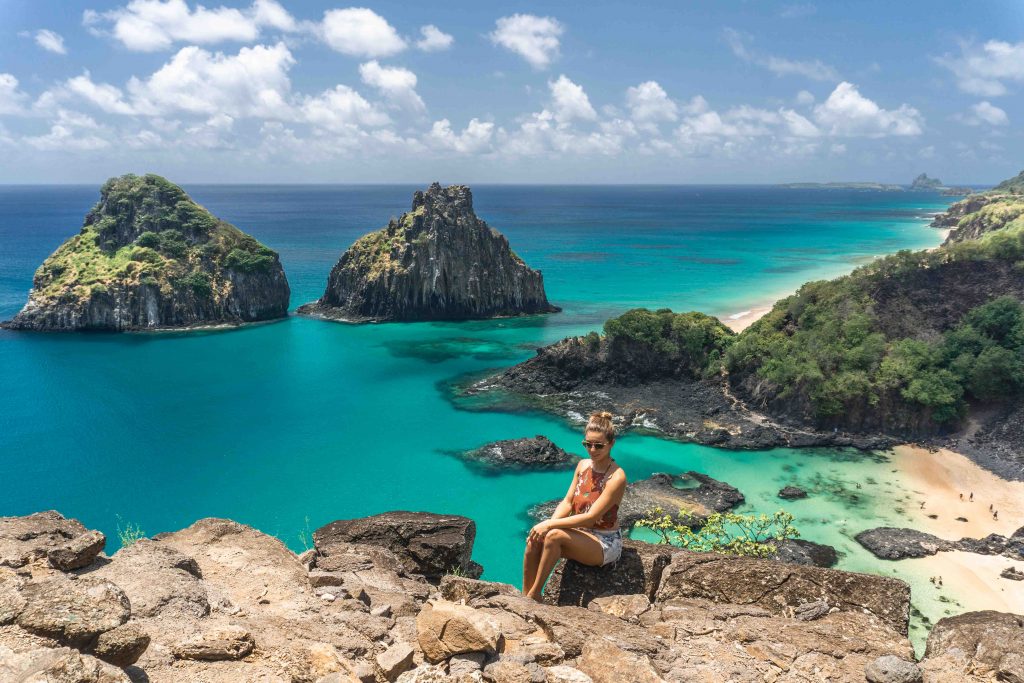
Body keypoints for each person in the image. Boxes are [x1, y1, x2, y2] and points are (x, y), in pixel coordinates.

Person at [522, 411, 627, 601]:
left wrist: (550, 525)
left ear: (611, 444)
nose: (592, 450)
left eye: (598, 445)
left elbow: (591, 518)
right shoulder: (582, 465)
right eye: (588, 444)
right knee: (535, 537)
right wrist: (548, 524)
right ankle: (525, 595)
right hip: (581, 534)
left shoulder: (616, 477)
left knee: (553, 535)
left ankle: (535, 596)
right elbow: (568, 501)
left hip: (605, 541)